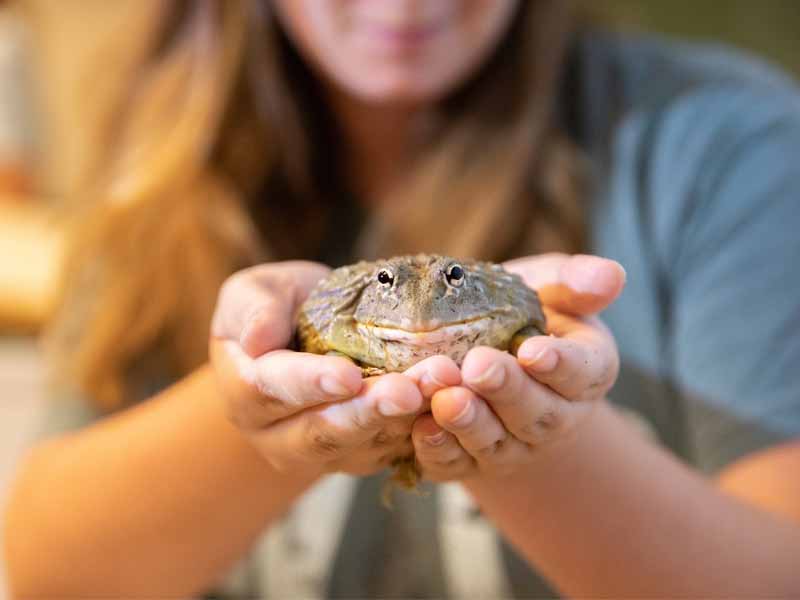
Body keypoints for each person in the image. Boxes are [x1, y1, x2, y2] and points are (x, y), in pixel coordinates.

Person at [4, 0, 800, 598]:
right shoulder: (161, 163)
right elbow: (44, 572)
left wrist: (539, 440)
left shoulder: (725, 147)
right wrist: (257, 390)